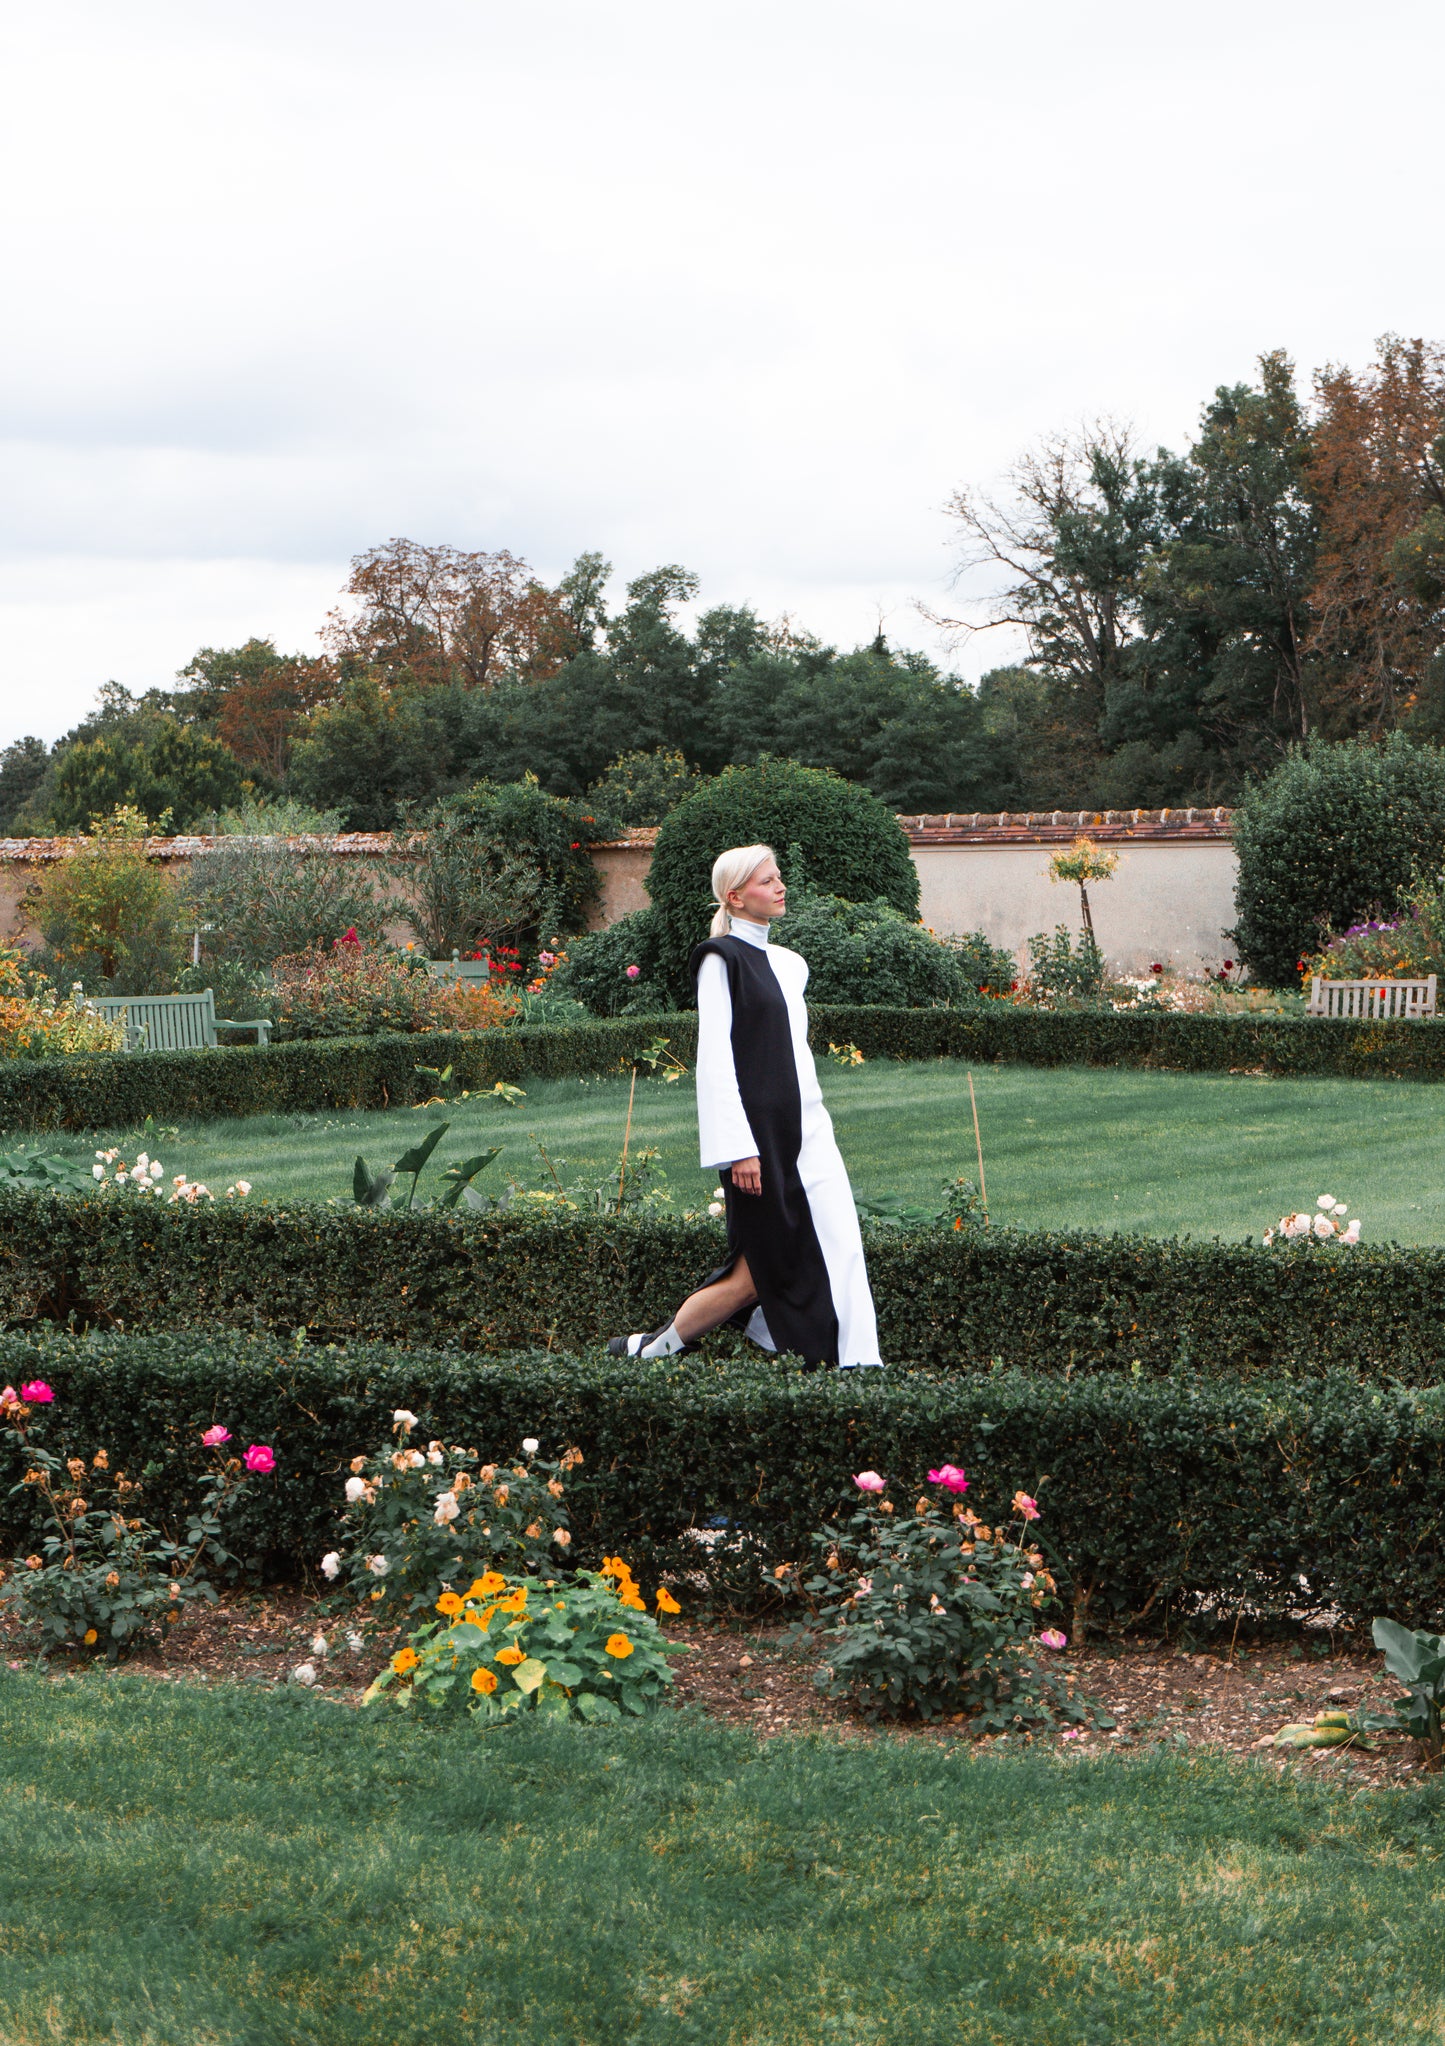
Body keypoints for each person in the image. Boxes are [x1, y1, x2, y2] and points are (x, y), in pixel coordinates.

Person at [608, 843, 881, 1368]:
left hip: (810, 1131)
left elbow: (793, 1055)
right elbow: (714, 1061)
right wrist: (739, 1150)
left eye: (778, 877)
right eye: (765, 881)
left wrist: (813, 1123)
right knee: (755, 1273)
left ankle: (856, 1362)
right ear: (734, 897)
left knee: (841, 1245)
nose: (779, 887)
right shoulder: (720, 959)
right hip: (759, 1140)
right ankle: (651, 1350)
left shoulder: (791, 964)